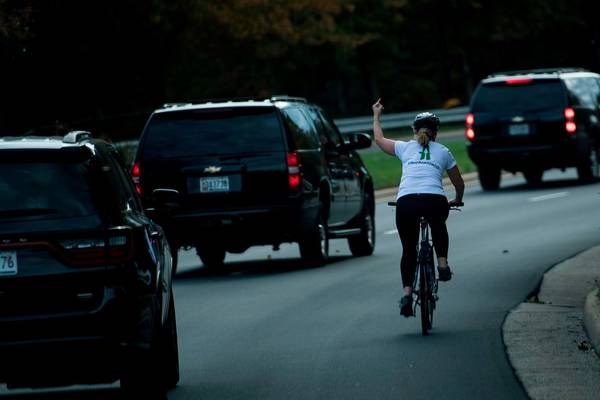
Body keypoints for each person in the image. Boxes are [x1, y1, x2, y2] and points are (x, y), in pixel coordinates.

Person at [372, 99, 464, 317]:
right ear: (436, 132)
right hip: (434, 200)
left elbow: (378, 139)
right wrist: (457, 198)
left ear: (414, 131)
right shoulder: (443, 151)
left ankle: (406, 293)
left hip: (407, 202)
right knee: (439, 225)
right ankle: (442, 264)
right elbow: (458, 182)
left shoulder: (404, 147)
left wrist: (376, 115)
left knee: (408, 249)